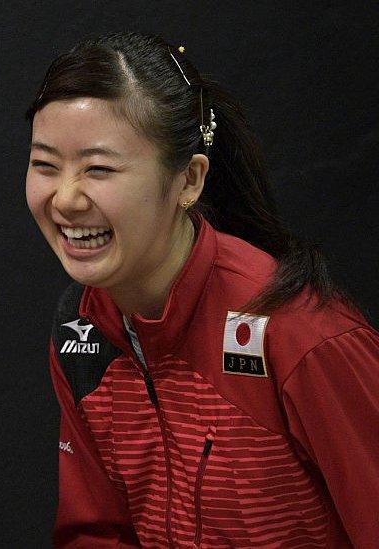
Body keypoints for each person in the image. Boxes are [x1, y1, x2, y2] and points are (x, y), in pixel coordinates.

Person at [25, 32, 379, 547]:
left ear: (189, 180)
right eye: (45, 165)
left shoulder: (300, 332)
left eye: (99, 168)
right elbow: (97, 533)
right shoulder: (81, 325)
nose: (67, 198)